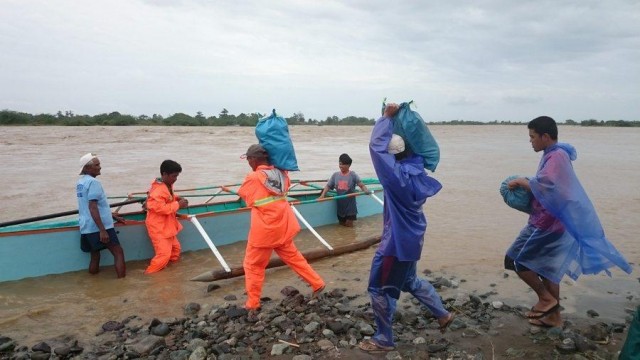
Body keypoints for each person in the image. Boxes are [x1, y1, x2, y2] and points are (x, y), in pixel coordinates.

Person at [505, 116, 632, 328]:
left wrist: (522, 182)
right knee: (547, 268)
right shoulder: (555, 154)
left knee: (516, 260)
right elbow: (552, 184)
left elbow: (550, 186)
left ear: (545, 137)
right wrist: (529, 183)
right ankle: (554, 318)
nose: (530, 141)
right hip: (550, 220)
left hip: (546, 222)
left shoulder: (556, 156)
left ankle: (547, 300)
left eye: (532, 136)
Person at [359, 104, 454, 353]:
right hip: (413, 238)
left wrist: (385, 118)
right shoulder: (416, 170)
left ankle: (384, 339)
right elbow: (400, 150)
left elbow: (376, 148)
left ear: (392, 157)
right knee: (409, 280)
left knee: (378, 288)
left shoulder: (396, 178)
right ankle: (442, 314)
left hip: (396, 244)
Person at [238, 144, 325, 313]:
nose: (248, 162)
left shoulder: (254, 177)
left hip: (264, 230)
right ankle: (317, 283)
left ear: (254, 159)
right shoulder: (282, 173)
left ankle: (253, 303)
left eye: (248, 159)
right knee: (294, 258)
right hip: (283, 225)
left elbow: (245, 196)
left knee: (253, 265)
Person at [76, 153, 126, 278]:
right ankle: (122, 283)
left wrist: (111, 215)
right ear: (87, 168)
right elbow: (92, 206)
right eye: (97, 165)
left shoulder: (81, 182)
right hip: (99, 227)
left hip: (86, 226)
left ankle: (93, 282)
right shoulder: (94, 183)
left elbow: (88, 206)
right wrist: (102, 230)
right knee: (118, 252)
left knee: (95, 254)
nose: (100, 167)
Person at [144, 160, 188, 274]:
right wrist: (178, 204)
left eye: (177, 176)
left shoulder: (167, 184)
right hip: (158, 228)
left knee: (175, 250)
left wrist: (176, 198)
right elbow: (160, 208)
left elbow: (167, 197)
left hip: (168, 226)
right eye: (174, 176)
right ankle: (150, 274)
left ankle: (169, 274)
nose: (175, 179)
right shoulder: (157, 190)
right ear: (164, 174)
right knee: (163, 255)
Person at [318, 153, 370, 227]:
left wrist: (365, 190)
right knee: (341, 226)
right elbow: (328, 186)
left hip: (350, 207)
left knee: (349, 226)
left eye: (343, 164)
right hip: (340, 207)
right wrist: (322, 195)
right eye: (340, 164)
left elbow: (361, 185)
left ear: (348, 165)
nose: (341, 166)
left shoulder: (353, 175)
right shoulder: (335, 175)